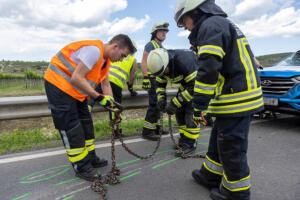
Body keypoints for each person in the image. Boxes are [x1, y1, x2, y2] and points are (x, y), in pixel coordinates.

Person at [174, 0, 264, 200]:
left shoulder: (210, 26)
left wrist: (198, 107)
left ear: (196, 12)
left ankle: (237, 192)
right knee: (218, 139)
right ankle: (211, 175)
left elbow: (208, 71)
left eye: (184, 21)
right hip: (232, 97)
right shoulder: (218, 24)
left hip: (237, 99)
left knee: (231, 146)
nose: (184, 27)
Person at [44, 34, 136, 182]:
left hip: (75, 91)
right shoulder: (94, 51)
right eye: (123, 55)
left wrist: (111, 106)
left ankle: (90, 157)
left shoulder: (105, 63)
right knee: (72, 128)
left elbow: (105, 86)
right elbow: (76, 77)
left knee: (86, 123)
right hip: (58, 85)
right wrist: (98, 97)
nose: (122, 59)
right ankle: (82, 167)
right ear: (115, 47)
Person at [147, 48, 205, 156]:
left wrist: (175, 102)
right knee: (179, 112)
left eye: (164, 72)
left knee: (190, 113)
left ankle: (191, 143)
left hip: (199, 84)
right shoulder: (162, 67)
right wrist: (161, 99)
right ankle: (184, 140)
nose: (163, 75)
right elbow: (160, 84)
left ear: (168, 63)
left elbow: (194, 88)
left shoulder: (184, 62)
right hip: (187, 84)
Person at [87, 53, 138, 138]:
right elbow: (131, 77)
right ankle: (117, 132)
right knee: (115, 108)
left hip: (104, 79)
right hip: (117, 85)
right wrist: (131, 89)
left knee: (93, 94)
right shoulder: (133, 60)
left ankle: (86, 111)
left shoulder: (116, 54)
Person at [141, 21, 170, 141]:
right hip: (152, 79)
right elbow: (143, 61)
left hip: (159, 79)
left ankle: (157, 128)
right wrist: (145, 77)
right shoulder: (151, 44)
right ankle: (147, 131)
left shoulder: (162, 47)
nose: (164, 33)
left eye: (165, 31)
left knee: (159, 104)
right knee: (153, 104)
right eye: (161, 31)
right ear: (154, 33)